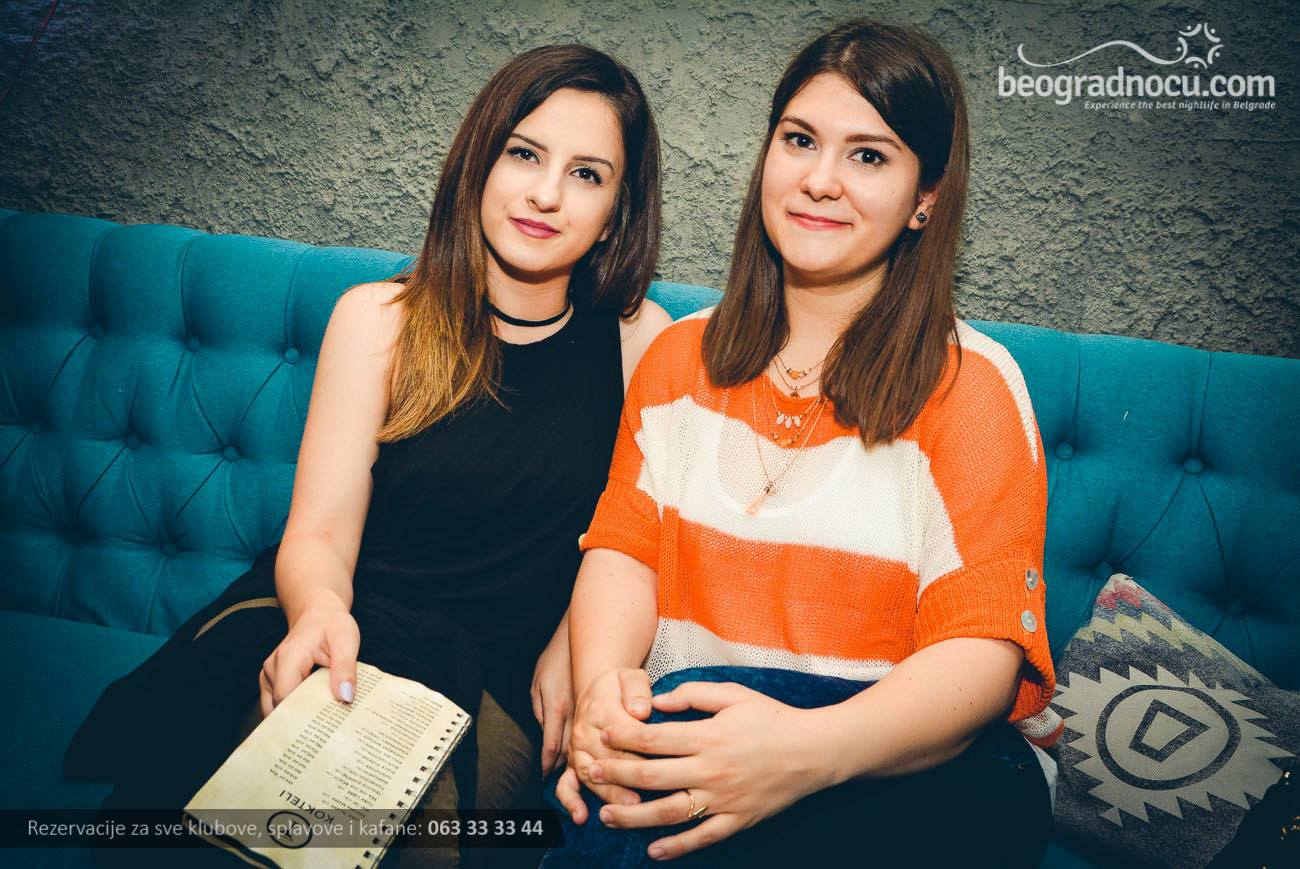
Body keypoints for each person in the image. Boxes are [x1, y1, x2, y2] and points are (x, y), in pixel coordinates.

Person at [63, 43, 671, 865]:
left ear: (618, 210)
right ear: (479, 161)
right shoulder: (379, 319)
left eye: (587, 174)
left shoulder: (641, 341)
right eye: (524, 153)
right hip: (341, 618)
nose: (546, 193)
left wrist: (574, 641)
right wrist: (319, 612)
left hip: (493, 672)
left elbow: (631, 536)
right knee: (244, 803)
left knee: (411, 842)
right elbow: (318, 531)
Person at [544, 20, 1064, 868]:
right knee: (657, 744)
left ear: (926, 197)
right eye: (799, 140)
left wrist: (797, 755)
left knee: (681, 734)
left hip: (905, 772)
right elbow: (624, 552)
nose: (820, 179)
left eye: (869, 155)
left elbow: (982, 660)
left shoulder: (972, 386)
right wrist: (604, 693)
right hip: (699, 739)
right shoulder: (678, 359)